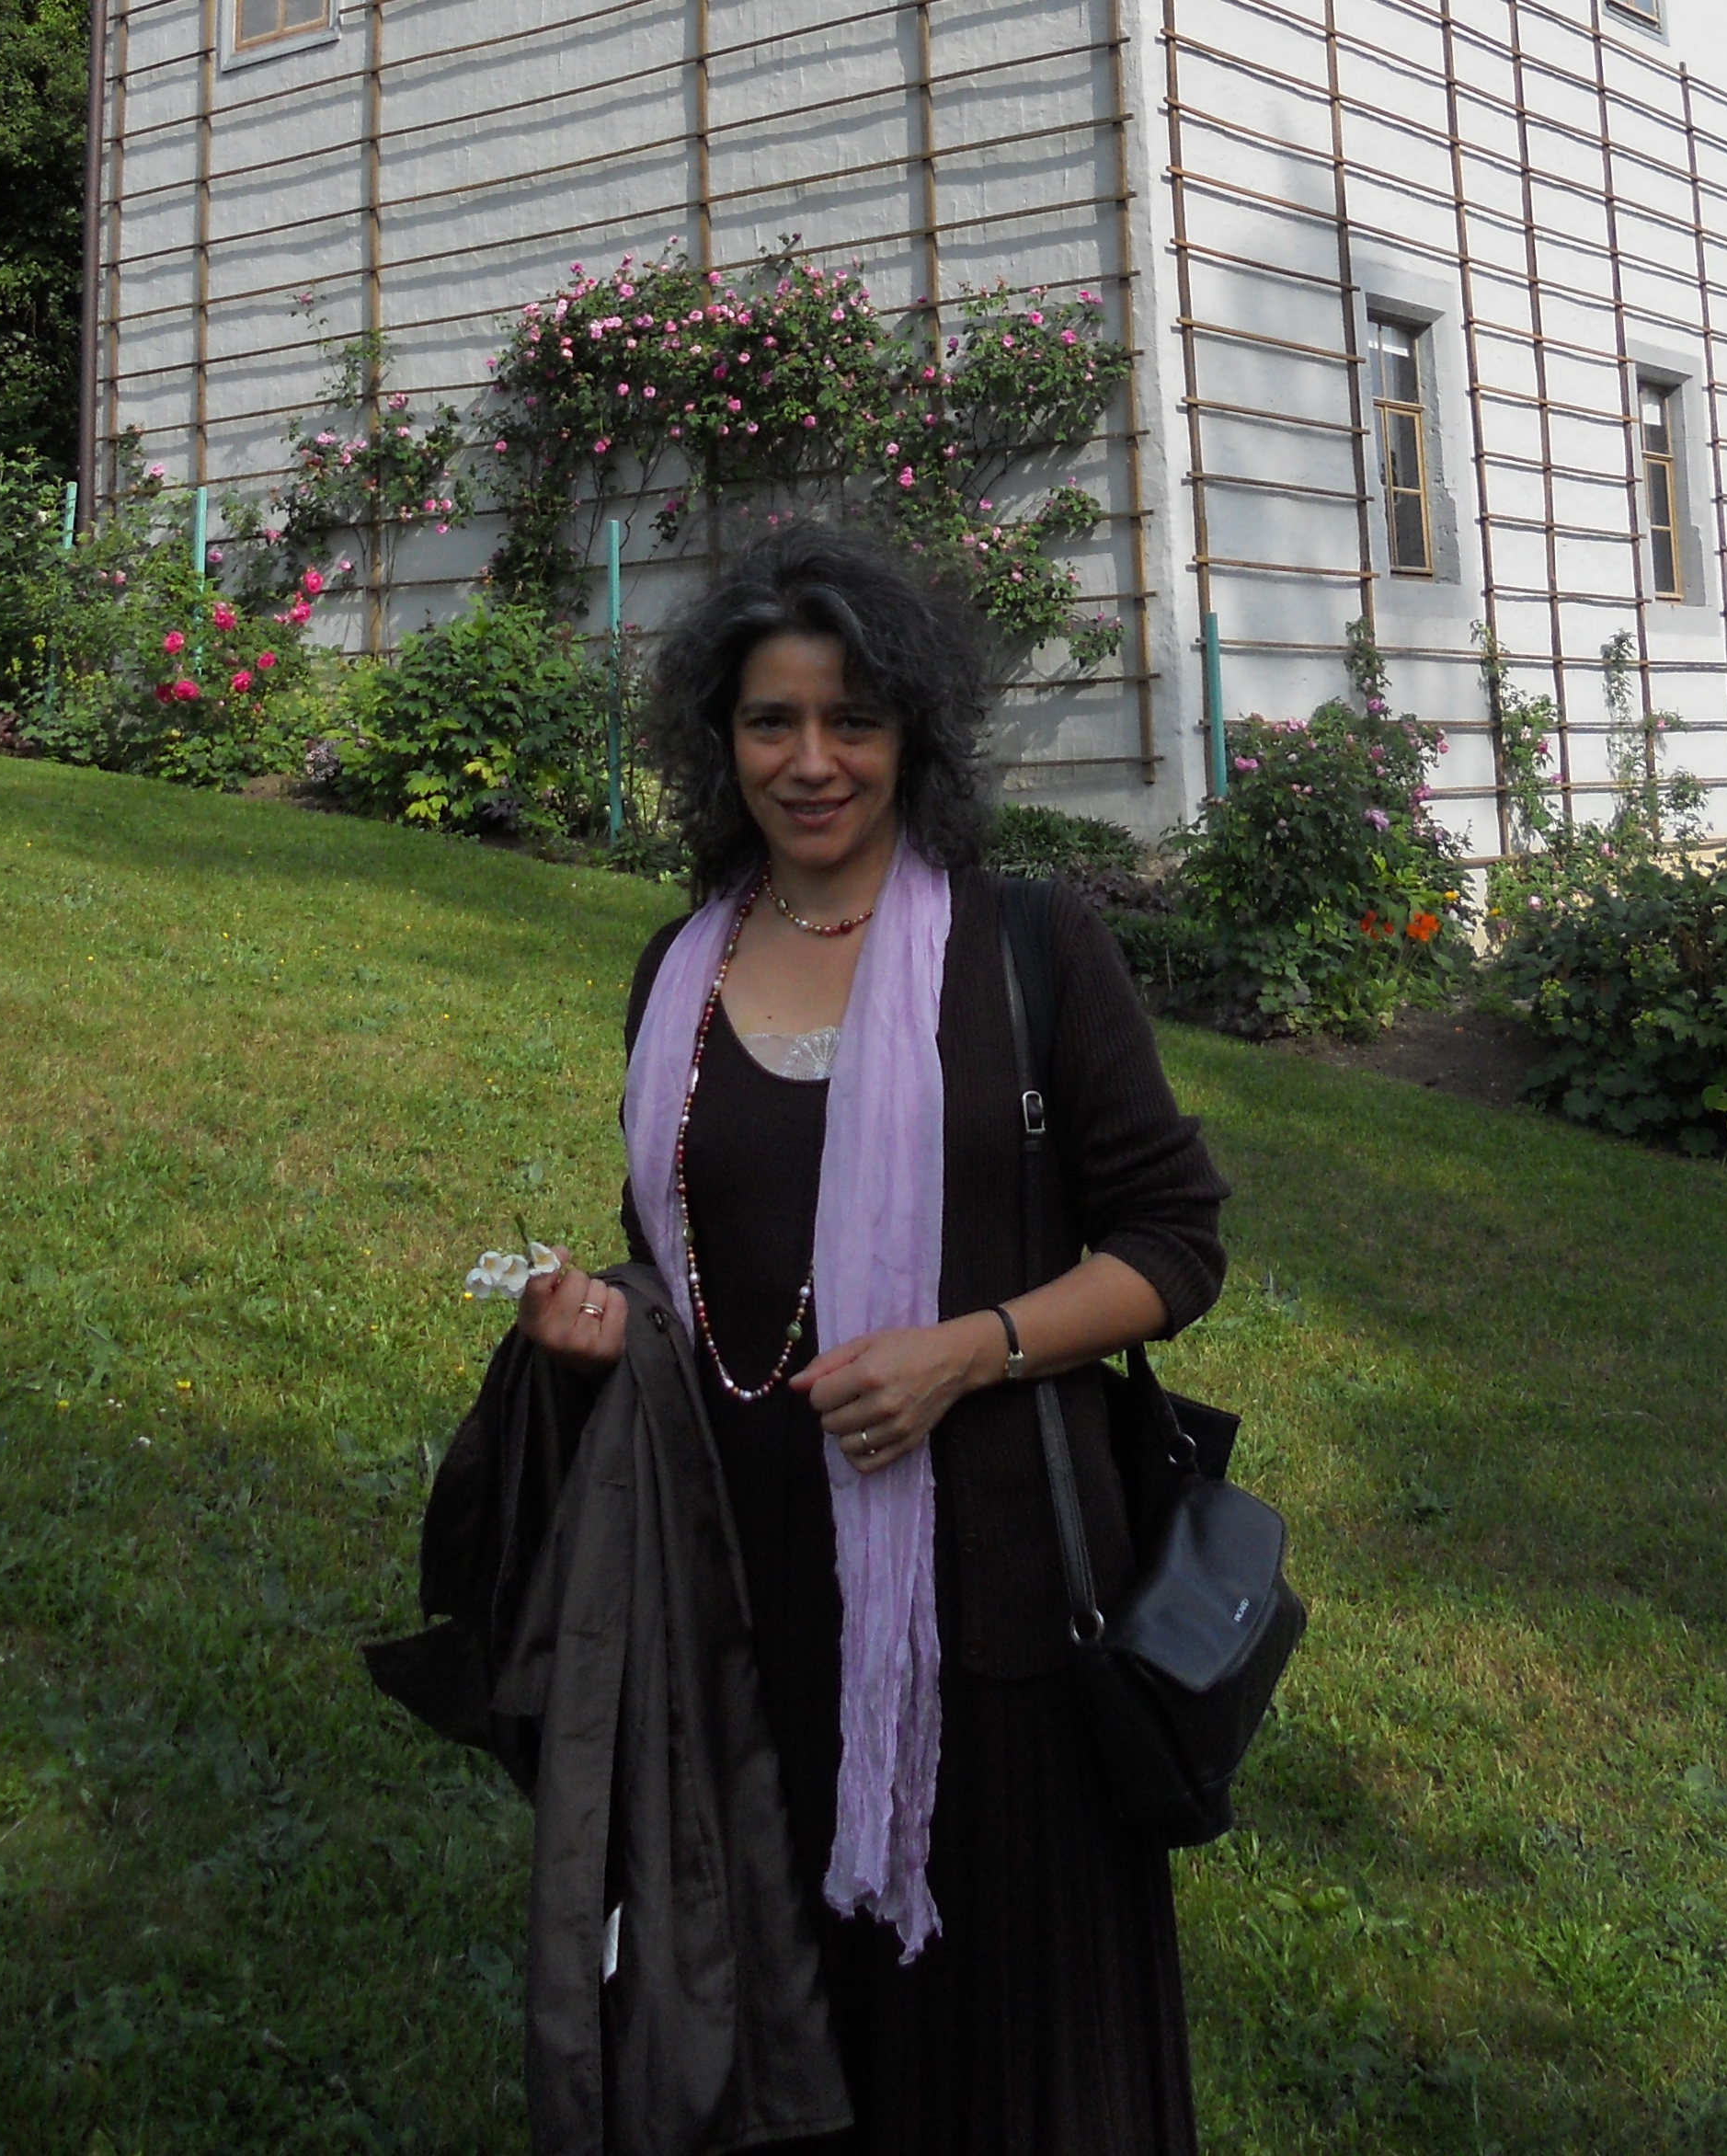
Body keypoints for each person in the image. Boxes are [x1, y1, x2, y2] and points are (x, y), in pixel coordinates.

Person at [517, 523, 1228, 2156]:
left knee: (993, 2044)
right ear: (722, 741)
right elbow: (687, 1254)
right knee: (790, 2012)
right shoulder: (678, 968)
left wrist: (969, 1348)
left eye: (853, 720)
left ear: (914, 732)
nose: (813, 761)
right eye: (772, 721)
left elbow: (1176, 1242)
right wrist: (613, 1320)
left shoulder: (1029, 949)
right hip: (744, 1592)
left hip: (990, 1607)